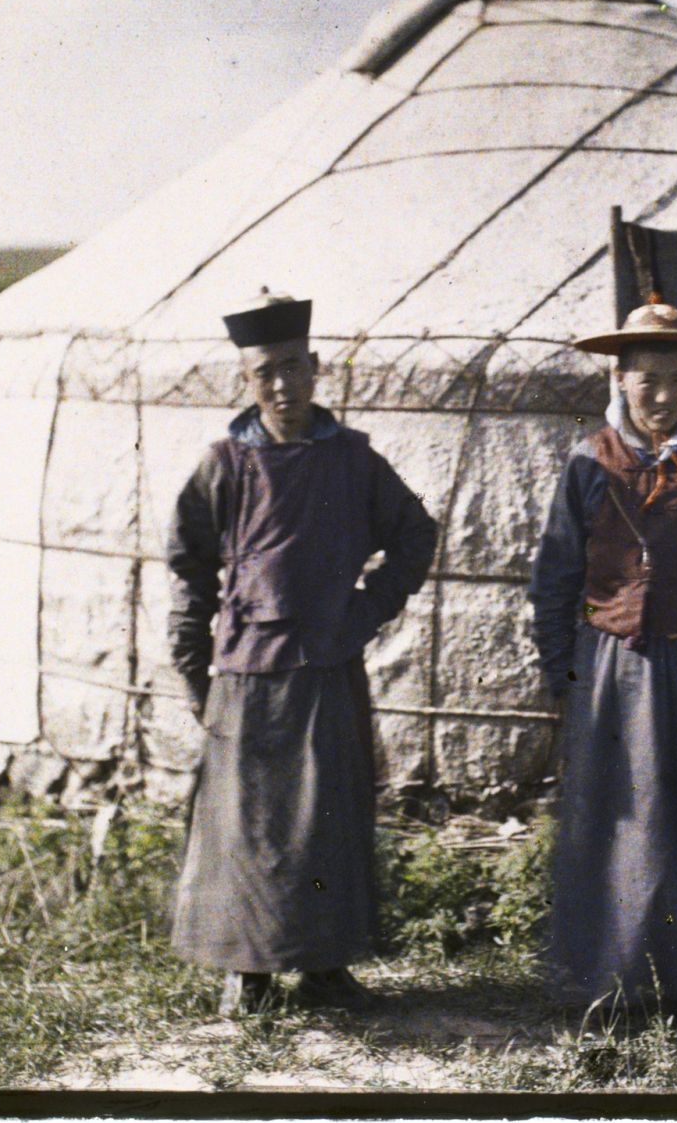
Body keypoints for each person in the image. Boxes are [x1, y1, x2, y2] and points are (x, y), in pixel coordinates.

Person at [165, 289, 439, 1018]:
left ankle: (323, 967)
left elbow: (416, 535)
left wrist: (364, 610)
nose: (282, 385)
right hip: (248, 666)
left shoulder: (352, 460)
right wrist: (193, 663)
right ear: (246, 381)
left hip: (326, 664)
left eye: (293, 367)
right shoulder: (224, 463)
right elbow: (187, 562)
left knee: (326, 821)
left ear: (316, 367)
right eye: (265, 374)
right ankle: (245, 972)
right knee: (245, 826)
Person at [527, 296, 677, 1010]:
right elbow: (554, 577)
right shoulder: (587, 462)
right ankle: (610, 982)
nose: (663, 397)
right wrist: (561, 674)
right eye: (647, 380)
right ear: (619, 379)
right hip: (611, 667)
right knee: (619, 821)